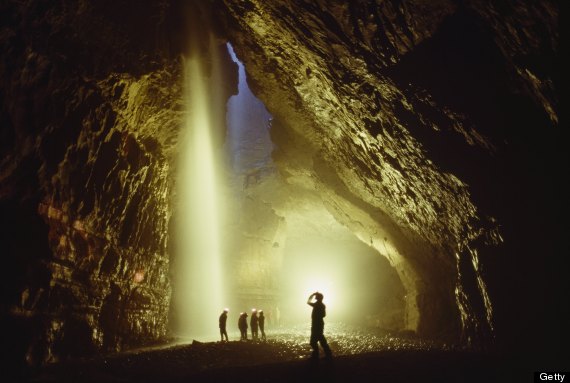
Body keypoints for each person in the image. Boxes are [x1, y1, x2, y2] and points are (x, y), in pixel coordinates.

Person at [307, 292, 332, 359]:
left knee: (313, 341)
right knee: (320, 338)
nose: (315, 297)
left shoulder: (317, 304)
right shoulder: (321, 305)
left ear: (318, 298)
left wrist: (312, 295)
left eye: (316, 296)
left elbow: (308, 302)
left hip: (316, 324)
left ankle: (317, 354)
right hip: (319, 323)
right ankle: (327, 353)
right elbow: (324, 315)